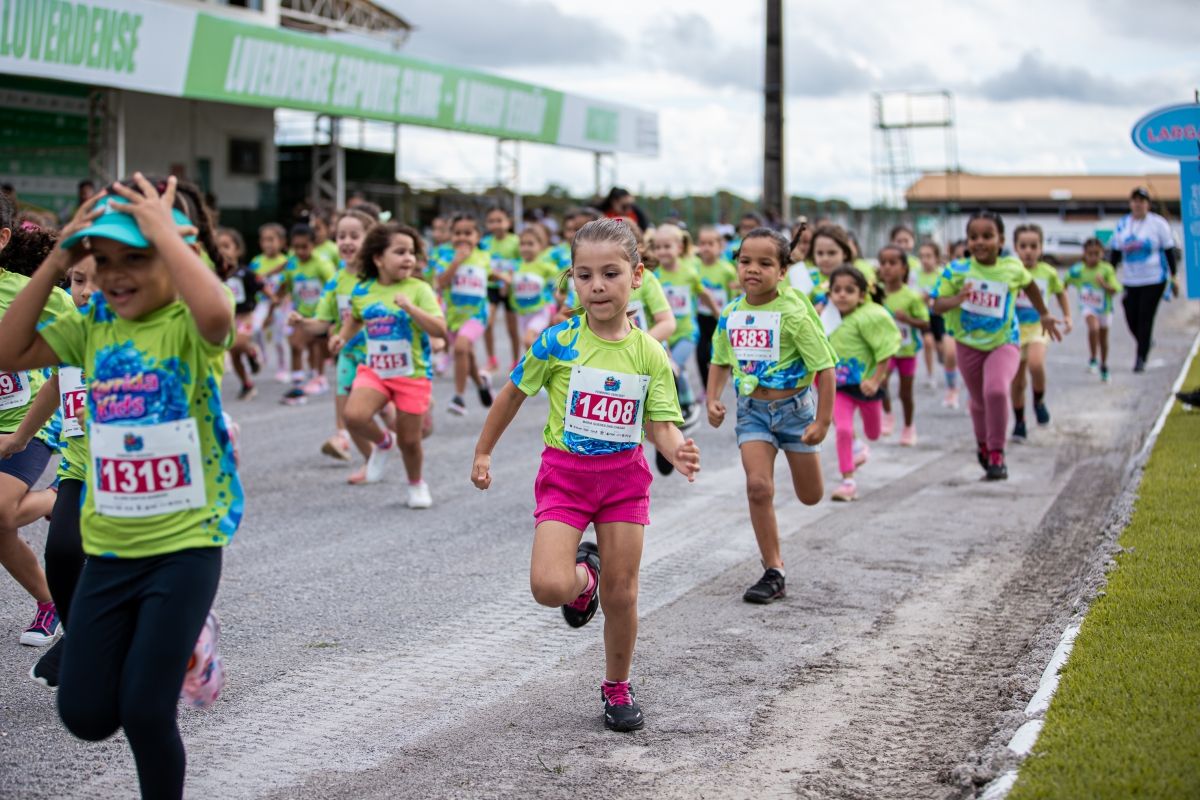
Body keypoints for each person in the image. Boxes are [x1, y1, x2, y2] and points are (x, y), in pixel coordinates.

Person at [0, 173, 240, 799]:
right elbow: (7, 351)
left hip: (185, 546)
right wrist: (59, 255)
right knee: (84, 714)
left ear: (175, 254)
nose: (115, 275)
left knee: (144, 710)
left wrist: (165, 231)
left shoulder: (187, 321)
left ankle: (190, 635)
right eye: (104, 260)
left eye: (136, 257)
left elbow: (218, 313)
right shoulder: (91, 326)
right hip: (110, 546)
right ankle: (178, 641)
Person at [471, 218, 699, 732]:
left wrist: (676, 449)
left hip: (623, 481)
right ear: (571, 278)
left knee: (623, 594)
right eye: (584, 275)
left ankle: (617, 685)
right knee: (548, 586)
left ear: (636, 276)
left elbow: (659, 423)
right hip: (566, 478)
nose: (597, 285)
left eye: (610, 274)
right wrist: (484, 451)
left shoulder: (650, 351)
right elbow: (512, 394)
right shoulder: (557, 341)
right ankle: (584, 578)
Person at [706, 227, 836, 602]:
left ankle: (808, 468)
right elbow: (720, 360)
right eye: (745, 261)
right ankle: (774, 570)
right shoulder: (731, 313)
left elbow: (825, 368)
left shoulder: (794, 314)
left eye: (765, 263)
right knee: (758, 487)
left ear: (782, 272)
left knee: (810, 496)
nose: (753, 269)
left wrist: (822, 421)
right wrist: (712, 398)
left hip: (796, 413)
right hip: (752, 413)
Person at [931, 212, 1060, 480]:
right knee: (978, 400)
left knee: (997, 391)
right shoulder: (957, 270)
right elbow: (937, 305)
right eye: (973, 236)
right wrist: (958, 299)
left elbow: (1030, 285)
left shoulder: (1012, 268)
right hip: (968, 344)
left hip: (1004, 341)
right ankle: (983, 443)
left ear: (1001, 240)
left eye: (987, 236)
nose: (980, 242)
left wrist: (1045, 314)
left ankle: (997, 452)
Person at [0, 198, 73, 648]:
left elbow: (85, 326)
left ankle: (54, 499)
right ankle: (50, 603)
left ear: (3, 238)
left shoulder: (26, 293)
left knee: (0, 511)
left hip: (27, 421)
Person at [330, 223, 445, 504]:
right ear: (378, 258)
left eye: (412, 252)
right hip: (375, 371)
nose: (409, 258)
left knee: (410, 441)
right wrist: (340, 337)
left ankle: (416, 484)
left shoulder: (419, 289)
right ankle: (383, 443)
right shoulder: (363, 290)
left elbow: (440, 329)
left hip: (412, 374)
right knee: (353, 416)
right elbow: (355, 318)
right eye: (400, 252)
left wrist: (411, 308)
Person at [29, 255, 98, 688]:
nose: (86, 291)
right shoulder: (70, 329)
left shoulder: (139, 332)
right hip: (77, 468)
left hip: (125, 474)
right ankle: (82, 638)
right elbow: (56, 385)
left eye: (98, 281)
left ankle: (89, 644)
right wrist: (19, 438)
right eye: (78, 280)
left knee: (116, 565)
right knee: (63, 552)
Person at [826, 265, 901, 501]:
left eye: (849, 290)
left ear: (861, 295)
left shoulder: (871, 316)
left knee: (874, 433)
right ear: (829, 293)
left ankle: (861, 447)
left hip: (867, 387)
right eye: (837, 290)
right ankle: (848, 481)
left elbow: (886, 349)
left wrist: (876, 380)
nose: (842, 295)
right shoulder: (826, 318)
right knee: (843, 429)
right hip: (839, 388)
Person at [652, 223, 718, 433]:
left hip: (686, 332)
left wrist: (718, 314)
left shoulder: (689, 273)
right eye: (658, 247)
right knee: (670, 369)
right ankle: (677, 403)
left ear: (679, 247)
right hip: (664, 333)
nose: (662, 251)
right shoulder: (654, 276)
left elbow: (704, 294)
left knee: (673, 365)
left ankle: (687, 403)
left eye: (667, 246)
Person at [1010, 224, 1071, 440]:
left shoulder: (1048, 272)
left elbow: (1061, 293)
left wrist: (1068, 316)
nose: (1028, 251)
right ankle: (1020, 421)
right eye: (1023, 246)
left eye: (1033, 246)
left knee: (1035, 364)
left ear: (1041, 248)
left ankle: (1039, 401)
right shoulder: (1011, 271)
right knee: (1017, 381)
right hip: (1013, 331)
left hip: (1039, 327)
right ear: (1015, 248)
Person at [1109, 187, 1180, 373]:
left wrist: (1174, 276)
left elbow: (1169, 251)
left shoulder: (1158, 224)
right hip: (1131, 279)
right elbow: (1115, 254)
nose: (1138, 204)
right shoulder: (1123, 225)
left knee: (1145, 316)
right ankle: (1146, 341)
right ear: (1130, 203)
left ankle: (1141, 358)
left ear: (1148, 203)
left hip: (1154, 279)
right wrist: (1109, 275)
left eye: (1142, 200)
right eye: (1135, 200)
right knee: (1130, 314)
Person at [432, 214, 494, 416]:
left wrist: (504, 279)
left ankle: (459, 397)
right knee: (467, 354)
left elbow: (489, 274)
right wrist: (457, 260)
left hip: (477, 315)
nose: (462, 237)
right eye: (457, 233)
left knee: (460, 348)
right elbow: (441, 283)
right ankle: (481, 383)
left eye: (468, 233)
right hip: (453, 316)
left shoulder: (484, 256)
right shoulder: (445, 256)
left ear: (478, 236)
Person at [278, 224, 336, 404]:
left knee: (320, 350)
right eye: (296, 247)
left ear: (314, 244)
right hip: (301, 314)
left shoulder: (322, 264)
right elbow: (285, 284)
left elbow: (334, 287)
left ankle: (318, 377)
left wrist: (332, 317)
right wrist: (276, 298)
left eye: (304, 247)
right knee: (296, 345)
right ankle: (297, 387)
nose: (300, 251)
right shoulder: (292, 265)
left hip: (321, 317)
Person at [878, 246, 930, 445]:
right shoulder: (876, 294)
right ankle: (888, 414)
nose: (887, 267)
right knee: (881, 384)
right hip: (886, 350)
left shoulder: (912, 296)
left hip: (907, 351)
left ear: (904, 268)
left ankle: (908, 426)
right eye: (883, 263)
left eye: (892, 263)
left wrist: (907, 319)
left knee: (905, 393)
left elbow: (925, 323)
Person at [216, 228, 262, 401]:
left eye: (226, 246)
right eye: (218, 247)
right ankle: (246, 384)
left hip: (244, 316)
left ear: (238, 250)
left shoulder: (244, 272)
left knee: (239, 343)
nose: (222, 250)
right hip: (228, 319)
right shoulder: (215, 274)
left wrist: (274, 299)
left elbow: (260, 287)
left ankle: (251, 351)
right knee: (234, 353)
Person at [1065, 238, 1120, 382]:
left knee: (1103, 338)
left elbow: (1115, 290)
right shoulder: (1079, 270)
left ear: (1102, 253)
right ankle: (1093, 358)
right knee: (1093, 328)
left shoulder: (1106, 269)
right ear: (1084, 253)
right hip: (1088, 307)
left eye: (1097, 254)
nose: (1093, 257)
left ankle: (1104, 365)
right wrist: (1061, 292)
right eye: (1090, 254)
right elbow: (1064, 281)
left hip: (1104, 309)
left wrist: (1103, 284)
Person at [694, 225, 739, 395]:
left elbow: (735, 294)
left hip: (721, 318)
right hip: (701, 316)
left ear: (720, 246)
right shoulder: (695, 268)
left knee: (722, 352)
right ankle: (707, 390)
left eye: (710, 243)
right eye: (702, 243)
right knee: (701, 355)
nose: (706, 247)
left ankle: (738, 380)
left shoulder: (727, 270)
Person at [503, 225, 561, 351]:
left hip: (542, 310)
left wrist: (557, 311)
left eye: (530, 244)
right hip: (522, 312)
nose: (526, 248)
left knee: (528, 340)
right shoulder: (514, 266)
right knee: (533, 347)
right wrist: (506, 282)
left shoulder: (547, 267)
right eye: (522, 244)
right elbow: (503, 293)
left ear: (541, 245)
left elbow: (557, 290)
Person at [480, 206, 521, 371]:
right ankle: (491, 359)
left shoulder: (516, 242)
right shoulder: (484, 243)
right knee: (488, 322)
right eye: (491, 221)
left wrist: (507, 283)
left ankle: (516, 362)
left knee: (512, 328)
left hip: (510, 289)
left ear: (508, 222)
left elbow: (521, 263)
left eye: (499, 220)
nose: (495, 225)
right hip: (490, 287)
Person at [248, 223, 289, 382]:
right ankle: (262, 354)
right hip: (262, 304)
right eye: (264, 240)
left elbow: (289, 285)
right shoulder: (256, 262)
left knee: (279, 338)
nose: (267, 244)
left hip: (281, 306)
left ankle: (282, 368)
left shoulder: (286, 262)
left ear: (281, 242)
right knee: (256, 328)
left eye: (271, 239)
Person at [916, 241, 956, 394]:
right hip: (924, 316)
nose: (925, 260)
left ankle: (942, 356)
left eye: (928, 256)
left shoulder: (943, 274)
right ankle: (930, 375)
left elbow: (948, 293)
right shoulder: (916, 275)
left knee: (941, 347)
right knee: (927, 342)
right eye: (922, 256)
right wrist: (922, 299)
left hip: (940, 316)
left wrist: (935, 300)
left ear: (937, 258)